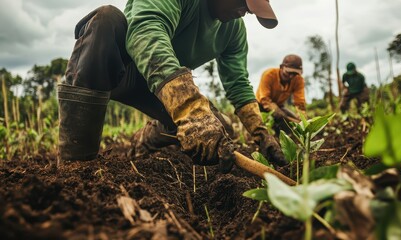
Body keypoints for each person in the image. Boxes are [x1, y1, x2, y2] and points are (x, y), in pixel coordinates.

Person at [57, 0, 287, 173]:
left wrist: (261, 133)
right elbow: (147, 31)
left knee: (218, 127)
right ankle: (75, 165)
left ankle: (148, 138)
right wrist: (188, 108)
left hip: (162, 89)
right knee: (105, 20)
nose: (245, 11)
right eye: (243, 3)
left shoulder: (234, 31)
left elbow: (237, 81)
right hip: (117, 69)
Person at [256, 54, 306, 133]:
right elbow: (265, 100)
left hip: (279, 106)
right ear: (281, 67)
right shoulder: (269, 75)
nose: (291, 76)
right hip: (260, 106)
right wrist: (278, 112)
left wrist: (301, 117)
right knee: (270, 121)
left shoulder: (298, 80)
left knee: (295, 123)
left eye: (295, 74)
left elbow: (300, 103)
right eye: (288, 72)